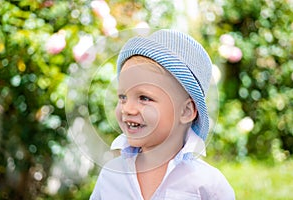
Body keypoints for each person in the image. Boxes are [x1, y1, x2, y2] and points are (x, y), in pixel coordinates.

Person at [90, 29, 235, 200]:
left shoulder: (207, 185)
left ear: (186, 111)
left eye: (144, 98)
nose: (127, 108)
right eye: (123, 97)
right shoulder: (111, 175)